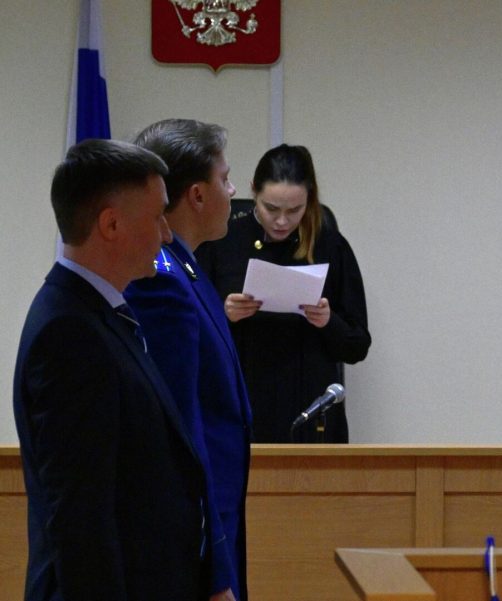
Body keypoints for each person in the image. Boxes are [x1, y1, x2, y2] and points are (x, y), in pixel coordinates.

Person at [13, 139, 209, 600]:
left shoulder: (98, 314)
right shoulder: (69, 334)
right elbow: (81, 518)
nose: (167, 235)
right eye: (157, 216)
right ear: (112, 224)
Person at [125, 119, 252, 601]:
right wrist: (214, 571)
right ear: (197, 195)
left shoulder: (187, 268)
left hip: (219, 515)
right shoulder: (162, 280)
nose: (233, 191)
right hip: (196, 538)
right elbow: (181, 430)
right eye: (225, 178)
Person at [196, 144, 371, 442]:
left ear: (309, 200)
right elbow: (190, 337)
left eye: (294, 210)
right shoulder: (221, 242)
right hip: (241, 406)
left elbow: (357, 346)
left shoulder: (330, 245)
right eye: (271, 208)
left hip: (310, 410)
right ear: (253, 191)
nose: (281, 221)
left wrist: (328, 321)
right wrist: (224, 316)